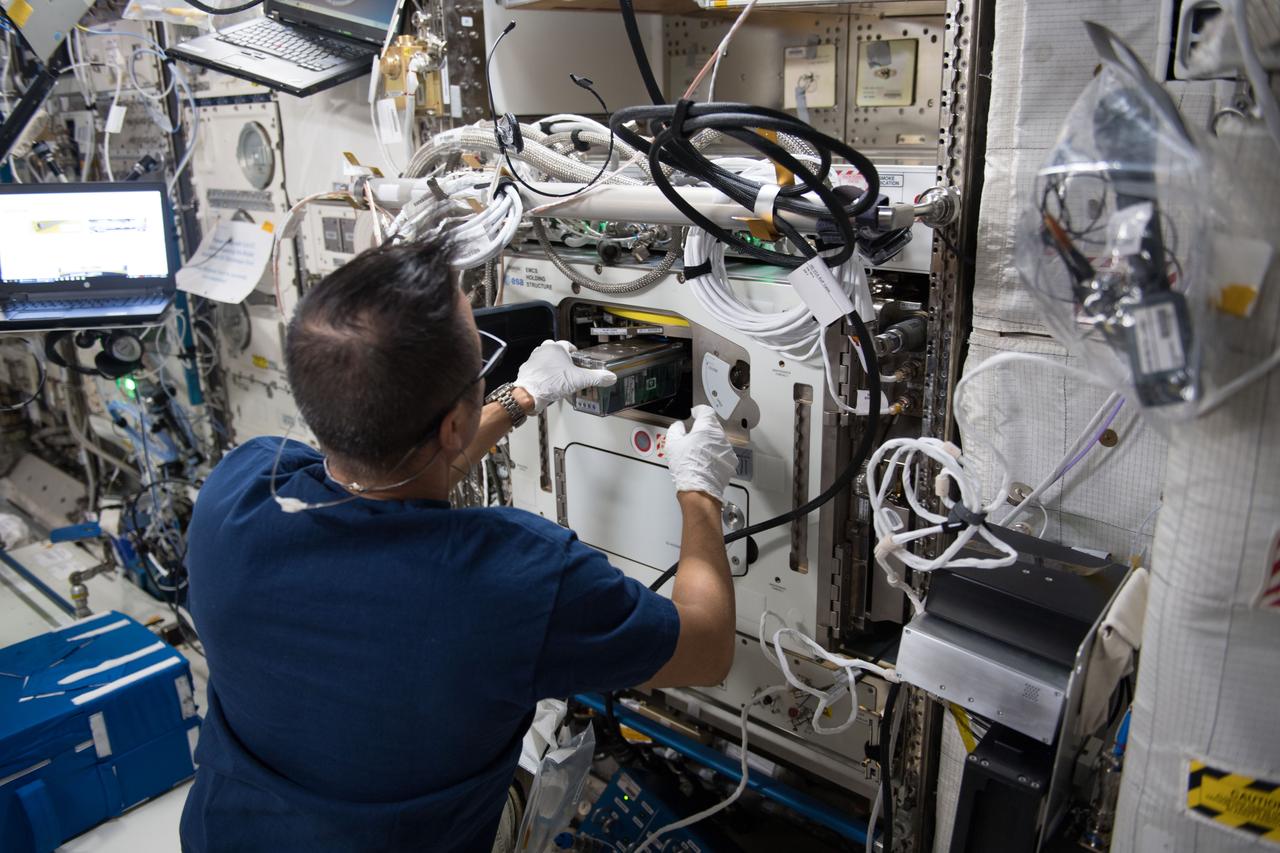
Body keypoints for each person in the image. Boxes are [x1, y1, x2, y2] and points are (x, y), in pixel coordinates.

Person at [179, 236, 740, 852]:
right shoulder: (515, 580)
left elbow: (382, 475)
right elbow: (708, 649)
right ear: (453, 423)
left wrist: (516, 400)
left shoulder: (236, 492)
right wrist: (700, 489)